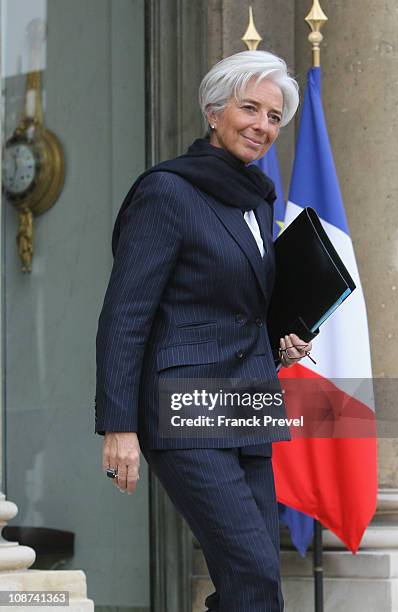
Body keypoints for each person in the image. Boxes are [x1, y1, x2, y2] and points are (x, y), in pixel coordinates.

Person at [95, 50, 313, 612]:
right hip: (187, 410)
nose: (262, 126)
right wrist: (119, 426)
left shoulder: (258, 203)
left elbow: (239, 308)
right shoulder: (166, 192)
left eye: (273, 117)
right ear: (215, 112)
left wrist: (279, 340)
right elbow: (125, 312)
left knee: (254, 586)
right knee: (256, 575)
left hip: (249, 405)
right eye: (250, 109)